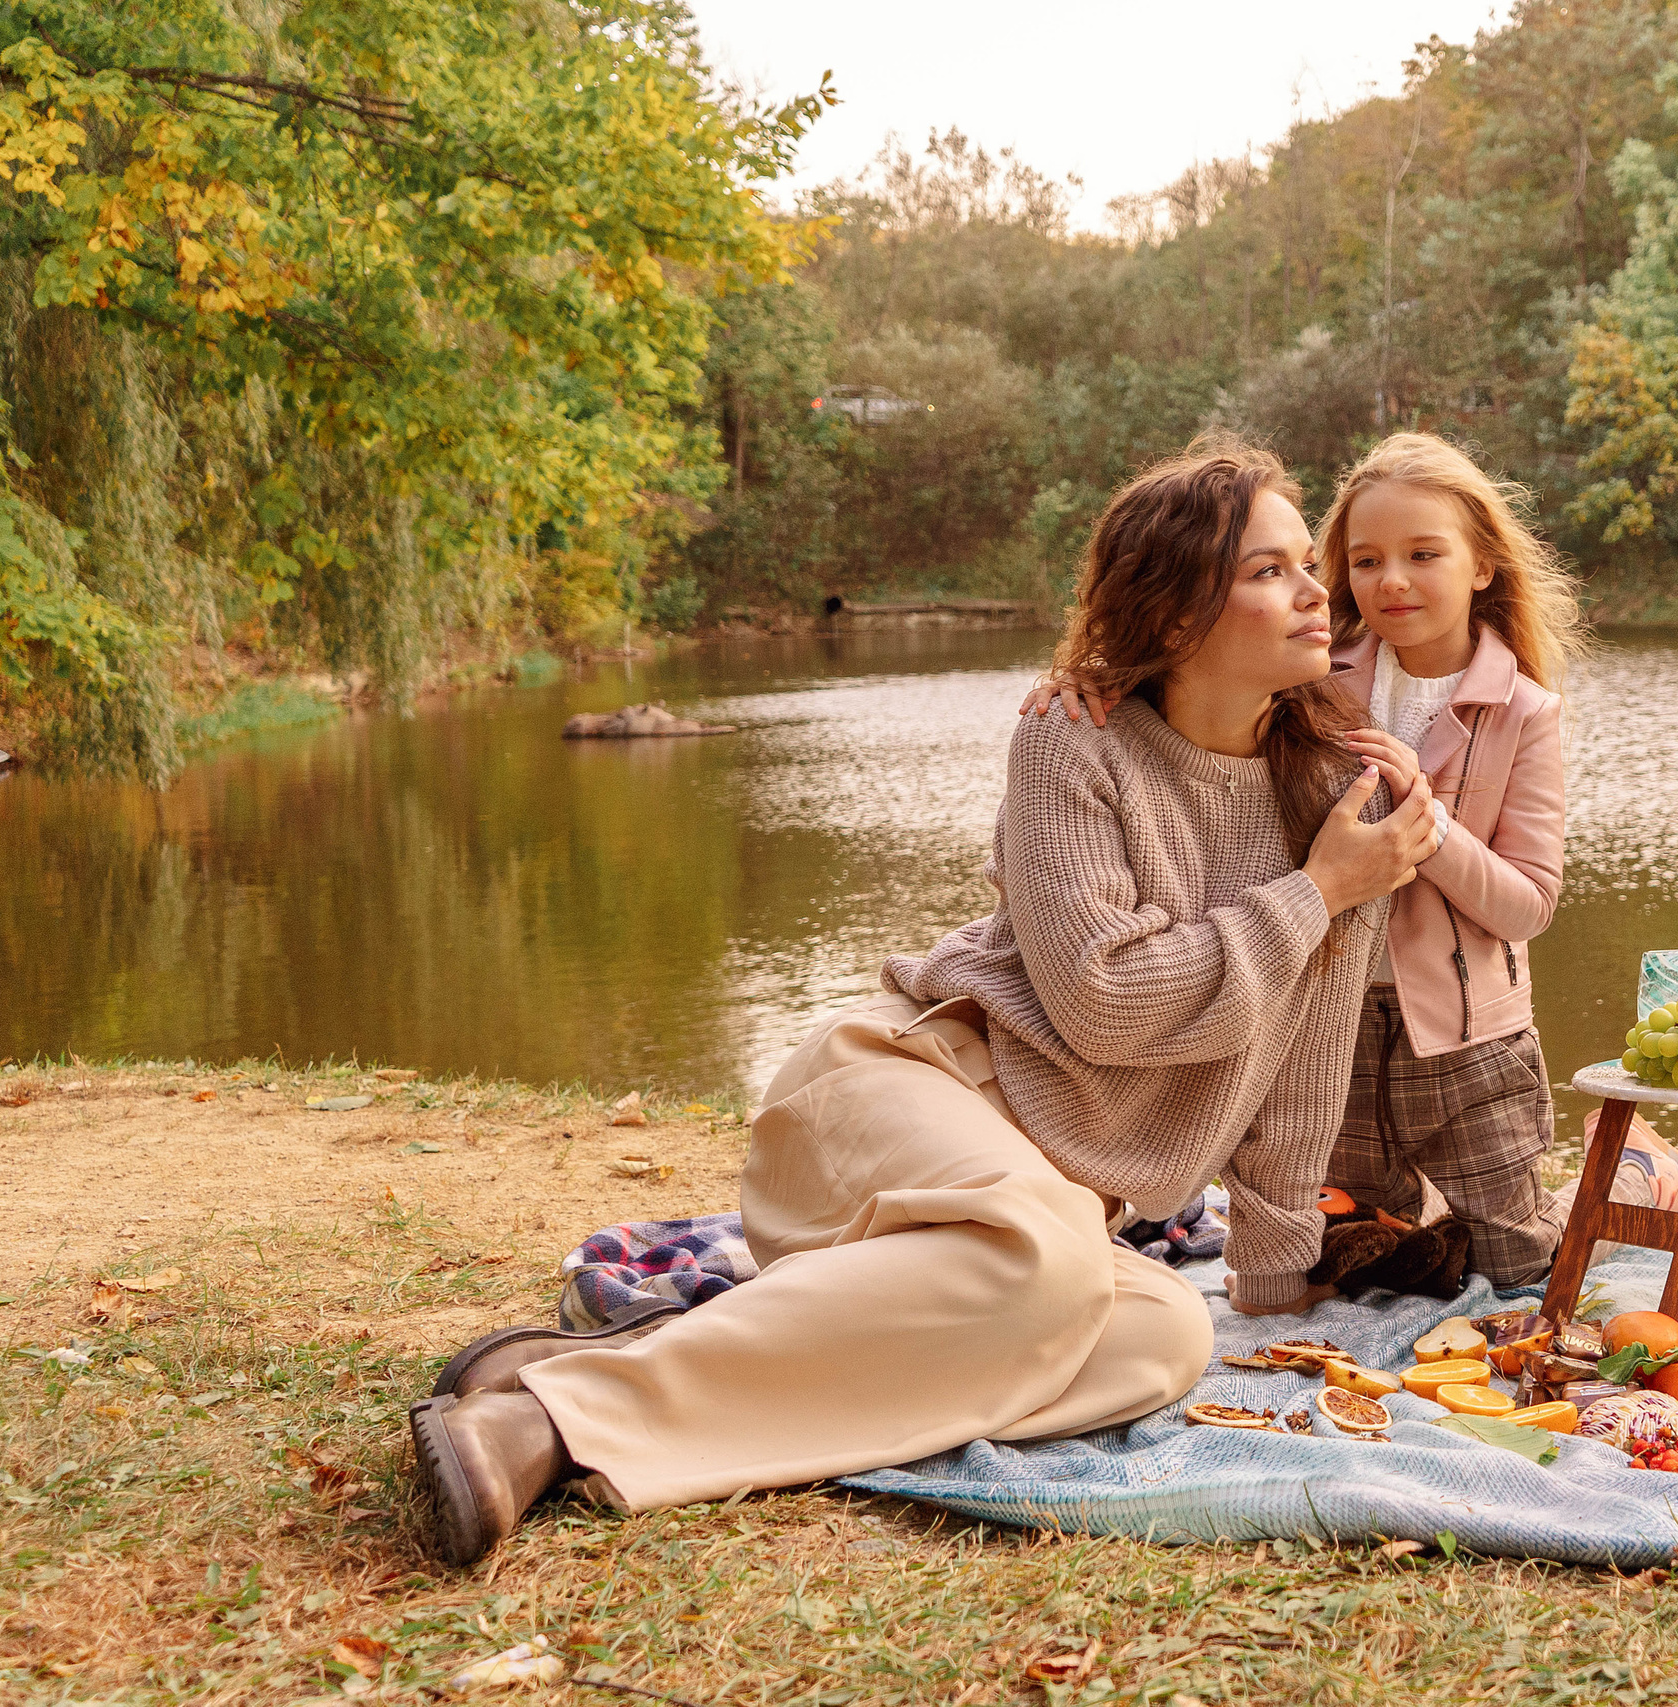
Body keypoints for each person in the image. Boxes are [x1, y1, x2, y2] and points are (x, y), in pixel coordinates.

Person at [407, 438, 1442, 1568]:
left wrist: (1274, 1270)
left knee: (1162, 1336)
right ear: (1177, 612)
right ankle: (544, 1425)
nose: (1315, 592)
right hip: (899, 1103)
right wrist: (1314, 893)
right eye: (1268, 570)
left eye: (1308, 565)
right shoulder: (1073, 740)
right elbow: (1102, 1002)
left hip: (999, 1237)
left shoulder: (1342, 793)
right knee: (1046, 1259)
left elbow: (1305, 1054)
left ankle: (671, 1352)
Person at [1031, 433, 1678, 1288]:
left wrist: (1426, 826)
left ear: (1482, 565)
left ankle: (1638, 1170)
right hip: (1324, 1021)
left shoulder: (1523, 710)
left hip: (1464, 1037)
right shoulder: (1311, 673)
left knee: (1522, 1260)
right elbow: (1193, 676)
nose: (1392, 581)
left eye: (1424, 554)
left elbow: (1527, 905)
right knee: (1355, 1252)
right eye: (1366, 559)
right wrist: (1085, 676)